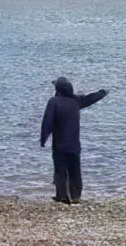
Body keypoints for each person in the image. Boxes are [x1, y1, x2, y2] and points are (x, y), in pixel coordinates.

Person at [41, 76, 108, 204]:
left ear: (58, 90)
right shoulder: (75, 101)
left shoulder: (54, 102)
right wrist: (102, 93)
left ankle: (62, 196)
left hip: (59, 145)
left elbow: (47, 122)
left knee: (60, 170)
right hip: (74, 145)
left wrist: (44, 138)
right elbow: (89, 98)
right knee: (75, 170)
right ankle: (76, 195)